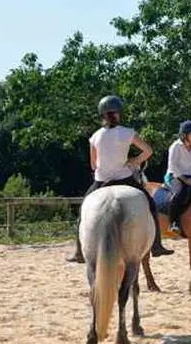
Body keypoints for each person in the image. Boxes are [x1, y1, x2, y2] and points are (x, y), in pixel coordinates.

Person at [66, 95, 174, 263]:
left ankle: (79, 252)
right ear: (119, 114)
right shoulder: (128, 133)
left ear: (102, 115)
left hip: (101, 181)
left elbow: (93, 165)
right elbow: (148, 151)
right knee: (151, 205)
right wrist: (134, 161)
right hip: (124, 178)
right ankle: (156, 246)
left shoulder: (95, 137)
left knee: (83, 211)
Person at [165, 120, 191, 237]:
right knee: (179, 194)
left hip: (190, 175)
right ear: (184, 135)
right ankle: (173, 223)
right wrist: (185, 180)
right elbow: (173, 166)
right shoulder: (175, 147)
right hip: (175, 175)